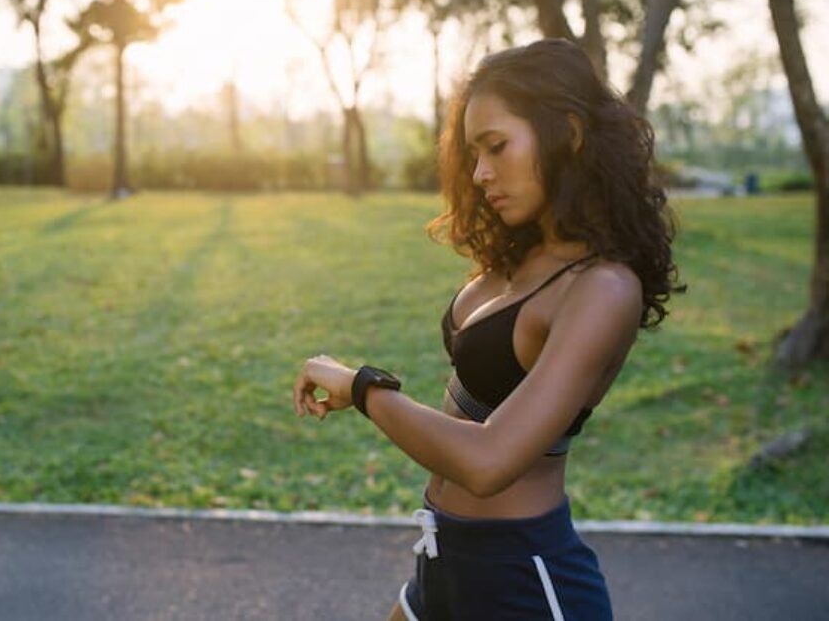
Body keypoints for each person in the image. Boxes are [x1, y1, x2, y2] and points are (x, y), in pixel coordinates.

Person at [292, 38, 684, 620]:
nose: (479, 173)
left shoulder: (601, 287)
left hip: (522, 584)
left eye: (497, 147)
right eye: (474, 153)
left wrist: (363, 387)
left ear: (569, 134)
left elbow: (490, 460)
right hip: (444, 562)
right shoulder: (521, 256)